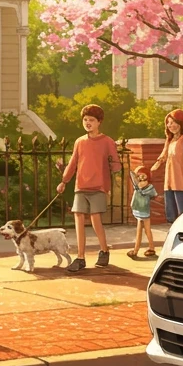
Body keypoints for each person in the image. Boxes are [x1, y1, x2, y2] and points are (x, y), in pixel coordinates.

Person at [57, 104, 122, 273]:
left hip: (98, 186)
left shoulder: (107, 141)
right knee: (78, 218)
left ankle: (104, 250)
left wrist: (114, 166)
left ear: (99, 122)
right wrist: (64, 181)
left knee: (95, 219)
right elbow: (73, 163)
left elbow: (116, 163)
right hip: (81, 185)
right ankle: (80, 257)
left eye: (91, 120)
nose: (88, 123)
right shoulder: (80, 142)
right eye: (85, 120)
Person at [151, 108, 183, 224]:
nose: (169, 125)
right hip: (169, 184)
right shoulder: (170, 140)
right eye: (168, 123)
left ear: (180, 123)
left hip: (182, 183)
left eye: (172, 122)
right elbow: (163, 155)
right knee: (171, 215)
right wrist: (156, 164)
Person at [127, 166, 159, 260]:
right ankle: (149, 248)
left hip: (144, 210)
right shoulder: (138, 185)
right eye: (139, 175)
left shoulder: (147, 186)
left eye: (142, 175)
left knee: (142, 230)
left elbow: (154, 194)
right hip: (139, 210)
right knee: (144, 230)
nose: (140, 177)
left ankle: (137, 250)